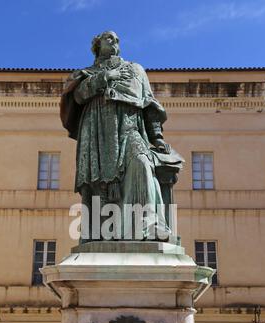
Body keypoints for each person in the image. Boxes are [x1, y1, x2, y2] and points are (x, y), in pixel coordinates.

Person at [61, 31, 183, 242]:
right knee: (98, 183)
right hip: (97, 133)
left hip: (129, 129)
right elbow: (78, 96)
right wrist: (104, 77)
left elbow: (149, 104)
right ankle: (101, 233)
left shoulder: (135, 70)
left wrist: (157, 137)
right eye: (109, 38)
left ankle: (148, 226)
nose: (115, 41)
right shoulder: (86, 73)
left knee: (142, 165)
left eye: (117, 39)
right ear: (97, 45)